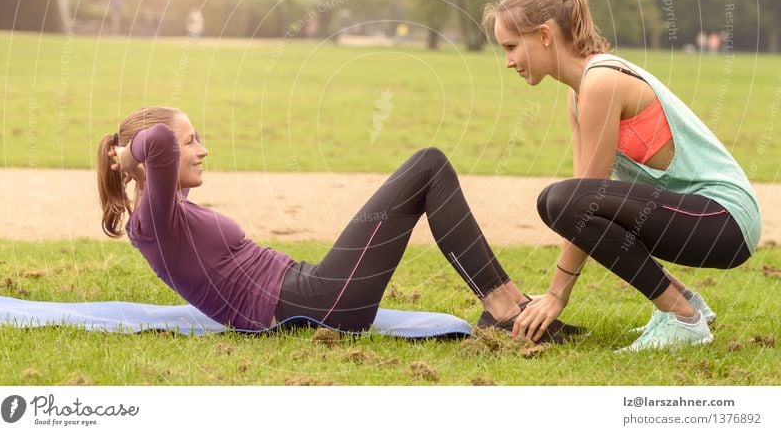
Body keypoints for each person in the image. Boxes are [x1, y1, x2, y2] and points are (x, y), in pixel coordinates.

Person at [96, 106, 583, 341]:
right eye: (191, 142)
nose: (202, 150)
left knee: (428, 168)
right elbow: (157, 140)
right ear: (145, 165)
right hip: (316, 303)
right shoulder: (151, 221)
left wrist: (137, 155)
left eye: (199, 138)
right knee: (428, 165)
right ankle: (504, 307)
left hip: (311, 289)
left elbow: (163, 147)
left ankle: (507, 304)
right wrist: (126, 151)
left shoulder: (173, 209)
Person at [482, 0, 761, 351]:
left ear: (545, 35)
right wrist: (557, 292)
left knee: (564, 201)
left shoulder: (602, 81)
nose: (509, 61)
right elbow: (583, 199)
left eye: (511, 47)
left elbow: (585, 202)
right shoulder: (579, 92)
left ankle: (683, 319)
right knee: (554, 201)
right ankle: (686, 304)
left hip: (725, 221)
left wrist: (556, 295)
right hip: (696, 218)